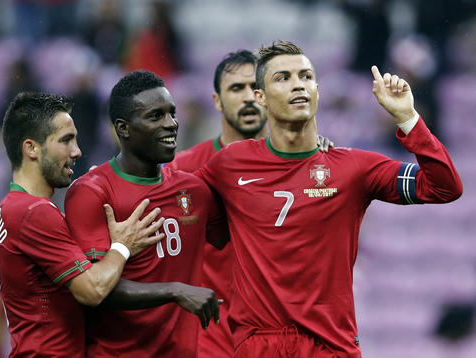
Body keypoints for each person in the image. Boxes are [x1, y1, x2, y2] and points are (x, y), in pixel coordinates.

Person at [196, 40, 463, 357]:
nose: (298, 85)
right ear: (260, 98)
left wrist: (407, 117)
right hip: (260, 345)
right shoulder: (230, 164)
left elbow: (444, 186)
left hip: (330, 346)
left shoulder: (353, 167)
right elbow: (184, 210)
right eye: (283, 78)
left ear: (318, 90)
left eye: (306, 76)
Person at [166, 49, 333, 358]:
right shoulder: (184, 168)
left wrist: (311, 148)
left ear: (265, 96)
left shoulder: (307, 164)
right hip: (208, 336)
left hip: (278, 336)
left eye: (251, 88)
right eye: (234, 88)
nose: (246, 98)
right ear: (216, 100)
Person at [64, 70, 228, 357]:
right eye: (156, 117)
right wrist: (175, 290)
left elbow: (245, 238)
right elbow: (93, 290)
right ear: (123, 128)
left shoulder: (195, 191)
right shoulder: (92, 193)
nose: (171, 124)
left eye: (172, 113)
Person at [0, 92, 165, 357]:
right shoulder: (34, 212)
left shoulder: (11, 206)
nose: (77, 151)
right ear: (31, 148)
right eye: (65, 140)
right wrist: (122, 246)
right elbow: (93, 290)